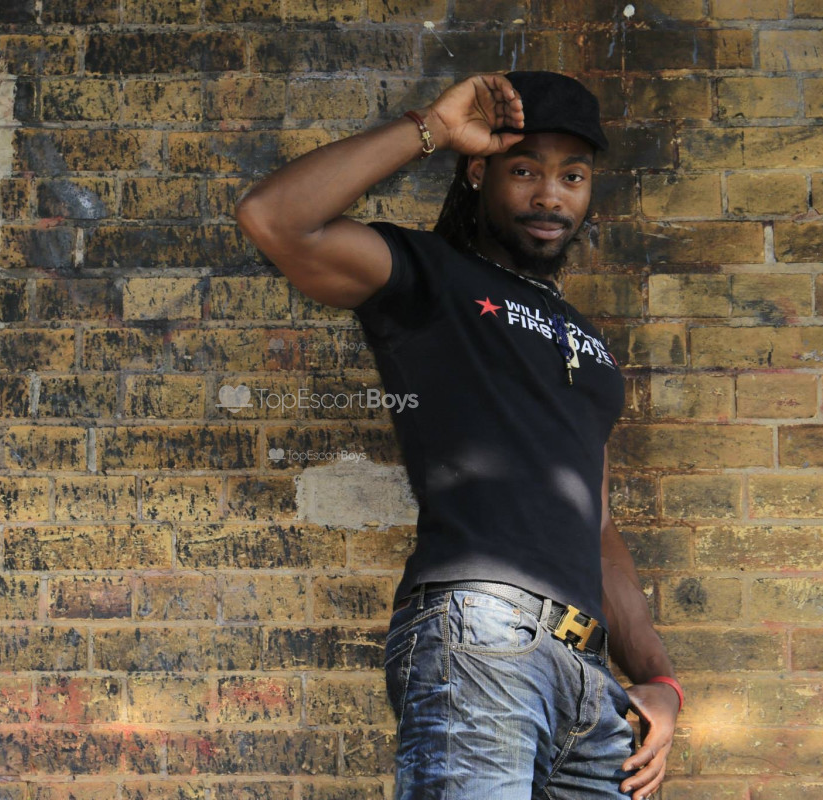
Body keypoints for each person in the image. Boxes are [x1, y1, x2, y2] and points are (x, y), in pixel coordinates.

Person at [235, 71, 681, 800]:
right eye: (525, 171)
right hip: (481, 635)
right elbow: (274, 218)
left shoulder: (592, 349)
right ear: (479, 173)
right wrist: (432, 130)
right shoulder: (432, 278)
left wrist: (659, 677)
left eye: (572, 177)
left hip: (589, 678)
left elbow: (599, 530)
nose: (551, 196)